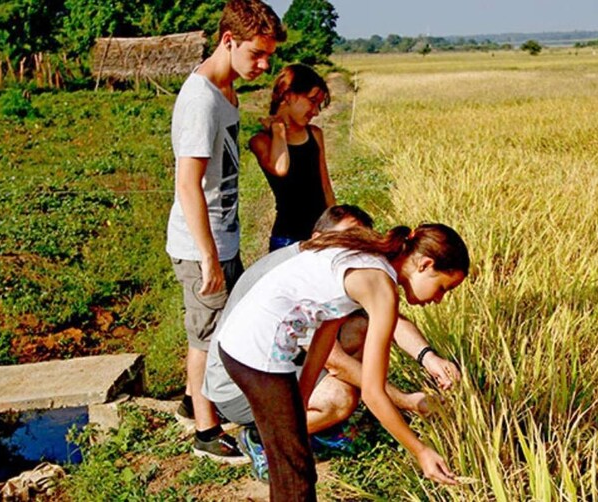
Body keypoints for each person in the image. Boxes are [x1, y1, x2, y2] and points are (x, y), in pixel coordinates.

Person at [217, 224, 470, 500]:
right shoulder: (381, 288)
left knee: (289, 461)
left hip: (240, 342)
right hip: (257, 352)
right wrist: (420, 450)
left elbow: (326, 332)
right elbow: (373, 394)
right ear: (425, 264)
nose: (438, 299)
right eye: (443, 287)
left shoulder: (368, 255)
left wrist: (302, 394)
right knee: (295, 471)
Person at [165, 0, 285, 463]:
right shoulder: (200, 101)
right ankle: (205, 431)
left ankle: (194, 400)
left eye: (269, 57)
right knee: (206, 337)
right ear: (228, 41)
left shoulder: (226, 90)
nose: (263, 64)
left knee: (219, 328)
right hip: (202, 245)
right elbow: (187, 185)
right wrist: (209, 257)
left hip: (221, 235)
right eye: (256, 54)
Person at [249, 64, 336, 252]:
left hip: (321, 235)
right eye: (312, 101)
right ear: (288, 96)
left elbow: (326, 187)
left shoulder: (314, 134)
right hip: (287, 240)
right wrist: (278, 131)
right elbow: (281, 168)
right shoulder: (261, 141)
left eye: (318, 104)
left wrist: (335, 229)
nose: (316, 111)